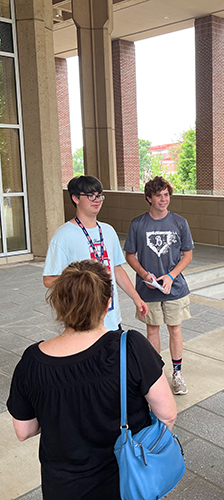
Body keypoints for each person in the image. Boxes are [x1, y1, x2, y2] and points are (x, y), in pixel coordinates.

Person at [7, 260, 177, 499]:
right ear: (108, 304)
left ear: (58, 304)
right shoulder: (131, 347)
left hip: (63, 488)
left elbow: (24, 430)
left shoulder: (32, 361)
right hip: (126, 484)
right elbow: (168, 414)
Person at [43, 175, 147, 330]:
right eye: (90, 195)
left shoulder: (108, 231)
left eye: (99, 195)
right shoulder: (63, 235)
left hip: (111, 319)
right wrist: (81, 289)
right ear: (76, 198)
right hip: (82, 321)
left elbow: (116, 269)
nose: (97, 200)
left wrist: (136, 298)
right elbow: (49, 279)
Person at [125, 176, 194, 396]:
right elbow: (130, 255)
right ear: (149, 198)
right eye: (158, 195)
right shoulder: (137, 223)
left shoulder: (180, 222)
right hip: (148, 289)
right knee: (152, 329)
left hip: (174, 288)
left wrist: (171, 276)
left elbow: (188, 255)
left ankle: (177, 373)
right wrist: (146, 275)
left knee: (175, 328)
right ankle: (156, 375)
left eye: (166, 194)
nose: (163, 199)